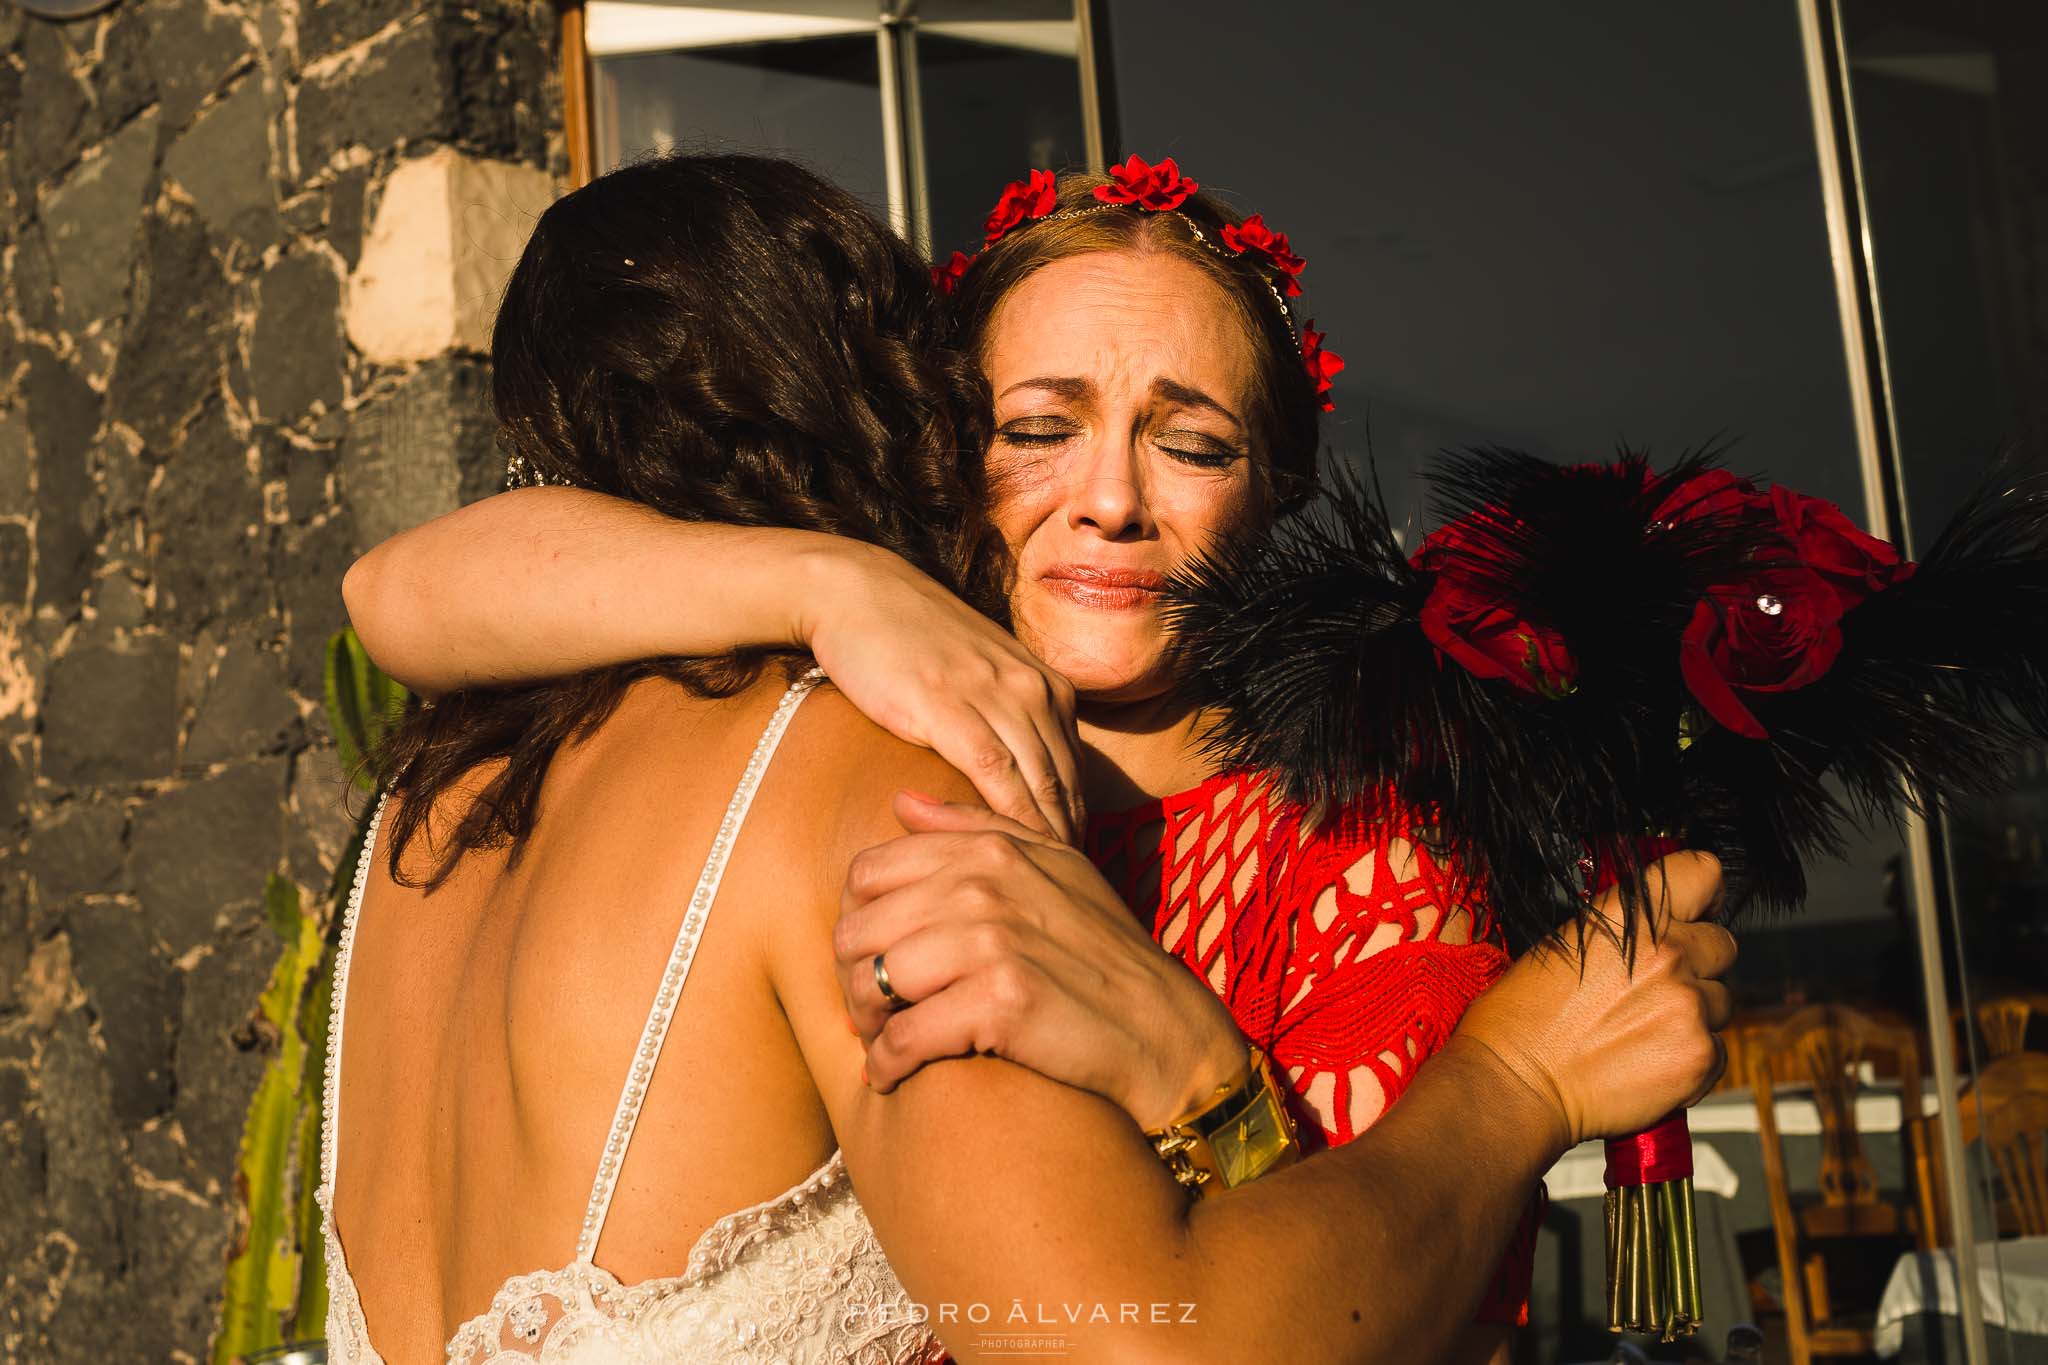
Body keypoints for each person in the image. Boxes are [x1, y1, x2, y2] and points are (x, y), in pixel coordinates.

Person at [331, 153, 1733, 1363]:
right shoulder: (870, 776)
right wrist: (834, 583)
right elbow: (397, 590)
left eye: (1190, 442)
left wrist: (1217, 1072)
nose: (1111, 499)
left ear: (1279, 488)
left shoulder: (430, 806)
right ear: (933, 437)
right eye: (1036, 429)